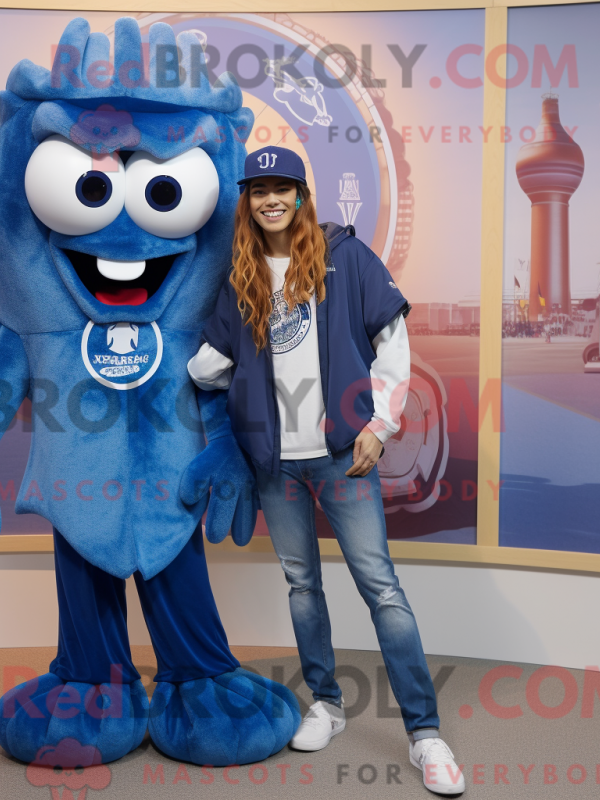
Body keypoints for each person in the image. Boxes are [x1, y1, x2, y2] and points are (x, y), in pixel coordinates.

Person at [187, 145, 465, 796]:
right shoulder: (241, 275)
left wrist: (380, 426)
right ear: (248, 202)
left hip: (343, 454)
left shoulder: (347, 257)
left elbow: (392, 342)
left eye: (282, 188)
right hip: (275, 463)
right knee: (302, 586)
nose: (271, 199)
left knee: (381, 588)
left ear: (302, 195)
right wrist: (227, 382)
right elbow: (210, 364)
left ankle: (425, 734)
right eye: (259, 190)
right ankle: (327, 704)